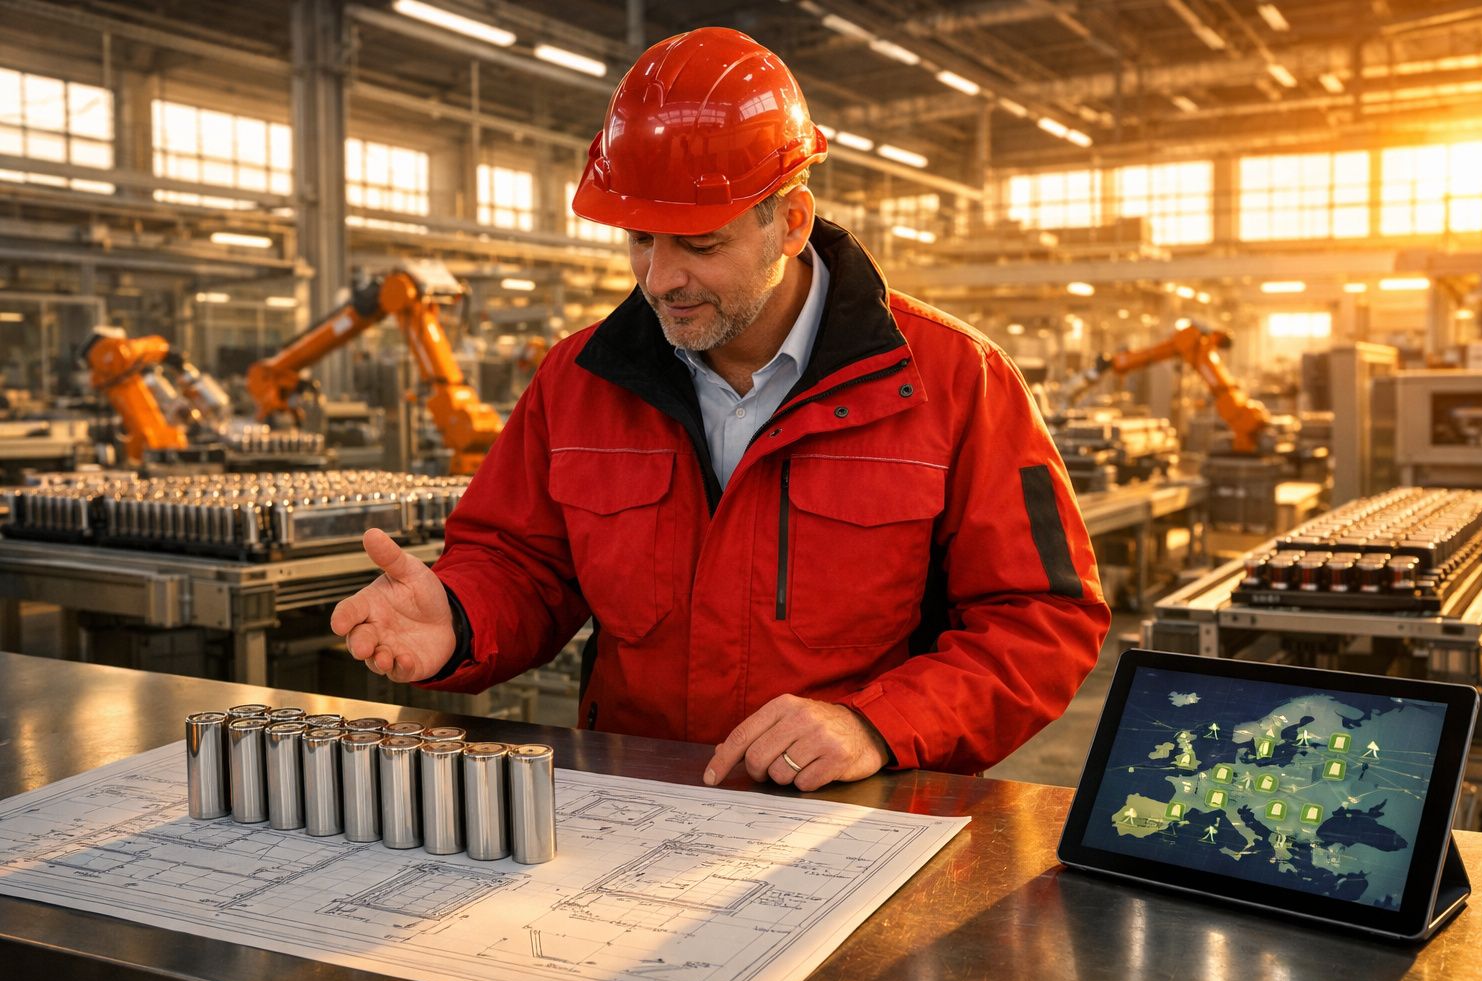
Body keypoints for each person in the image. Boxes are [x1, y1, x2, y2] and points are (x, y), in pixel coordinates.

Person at [332, 26, 1111, 792]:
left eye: (699, 245)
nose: (660, 278)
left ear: (792, 222)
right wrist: (461, 613)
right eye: (640, 240)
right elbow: (523, 563)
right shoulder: (579, 381)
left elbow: (1043, 620)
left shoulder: (957, 381)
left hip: (856, 818)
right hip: (630, 805)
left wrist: (879, 721)